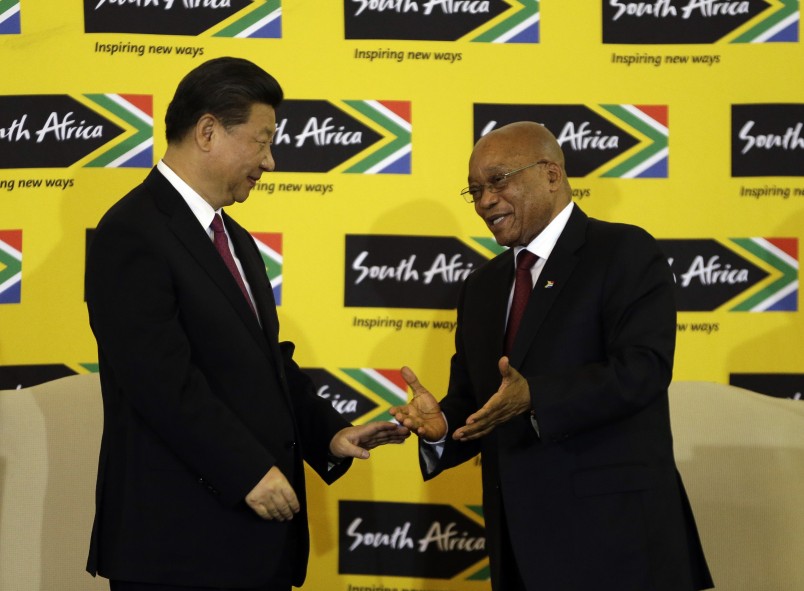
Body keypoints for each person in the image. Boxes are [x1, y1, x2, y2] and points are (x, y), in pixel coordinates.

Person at [85, 57, 409, 591]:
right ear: (208, 131)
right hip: (179, 548)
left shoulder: (235, 241)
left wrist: (328, 434)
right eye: (261, 142)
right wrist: (247, 473)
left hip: (252, 546)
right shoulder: (132, 231)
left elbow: (265, 363)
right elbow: (161, 382)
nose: (271, 161)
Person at [390, 122, 713, 591]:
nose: (484, 201)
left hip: (617, 541)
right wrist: (443, 430)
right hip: (518, 546)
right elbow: (477, 399)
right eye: (475, 190)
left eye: (498, 181)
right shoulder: (481, 288)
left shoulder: (623, 250)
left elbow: (643, 370)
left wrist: (535, 396)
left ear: (551, 175)